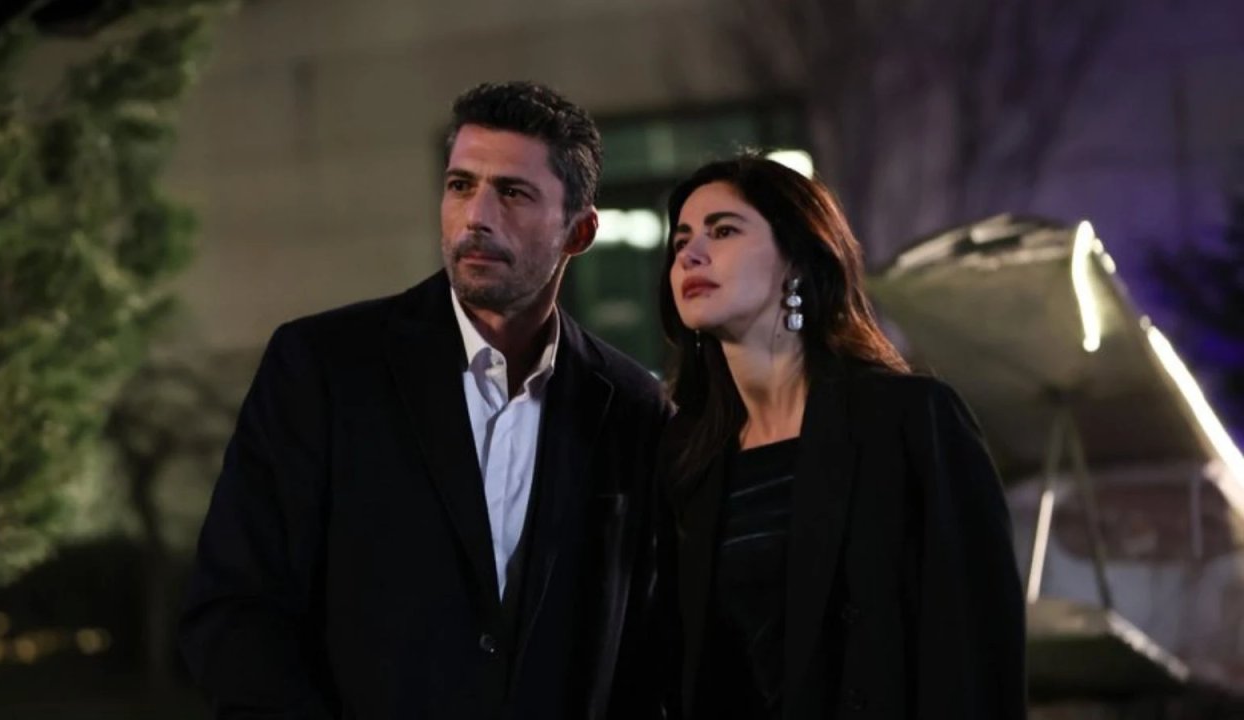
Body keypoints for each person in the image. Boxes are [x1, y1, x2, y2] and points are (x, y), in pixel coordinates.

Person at [179, 81, 669, 720]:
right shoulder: (324, 368)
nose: (477, 216)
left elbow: (643, 654)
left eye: (512, 193)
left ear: (579, 232)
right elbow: (234, 612)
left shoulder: (632, 407)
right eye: (461, 185)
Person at [656, 155, 1026, 719]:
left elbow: (975, 650)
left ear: (798, 260)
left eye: (723, 231)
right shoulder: (686, 456)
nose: (690, 254)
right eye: (681, 239)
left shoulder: (910, 421)